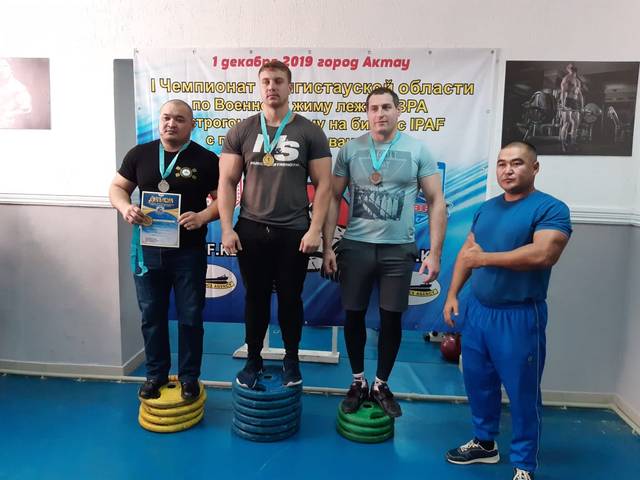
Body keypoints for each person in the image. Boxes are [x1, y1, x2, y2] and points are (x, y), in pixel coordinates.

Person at [443, 141, 571, 480]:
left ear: (534, 168)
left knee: (522, 392)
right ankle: (485, 443)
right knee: (478, 383)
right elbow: (468, 253)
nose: (508, 170)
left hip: (519, 316)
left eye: (517, 163)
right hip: (478, 312)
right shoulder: (487, 208)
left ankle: (524, 464)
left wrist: (485, 259)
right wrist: (453, 293)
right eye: (502, 164)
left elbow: (544, 254)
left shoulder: (550, 208)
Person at [322, 87, 446, 417]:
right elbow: (332, 197)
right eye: (374, 108)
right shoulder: (350, 150)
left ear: (398, 111)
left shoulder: (418, 150)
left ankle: (381, 384)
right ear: (367, 113)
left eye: (387, 107)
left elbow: (436, 201)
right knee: (353, 315)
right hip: (356, 248)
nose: (380, 114)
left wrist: (435, 253)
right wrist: (327, 246)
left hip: (398, 250)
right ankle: (357, 381)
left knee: (391, 318)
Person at [219, 60, 332, 388]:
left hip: (294, 231)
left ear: (290, 86)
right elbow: (227, 182)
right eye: (266, 81)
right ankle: (253, 359)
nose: (272, 87)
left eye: (279, 81)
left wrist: (314, 230)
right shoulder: (241, 131)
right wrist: (226, 228)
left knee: (290, 298)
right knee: (254, 298)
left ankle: (291, 360)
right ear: (259, 87)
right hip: (251, 228)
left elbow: (324, 185)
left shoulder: (309, 131)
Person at [109, 99, 220, 401]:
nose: (172, 124)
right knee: (151, 316)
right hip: (148, 252)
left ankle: (189, 378)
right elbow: (117, 188)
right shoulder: (139, 154)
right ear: (160, 122)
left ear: (192, 125)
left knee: (191, 317)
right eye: (167, 118)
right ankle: (155, 375)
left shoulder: (206, 159)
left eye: (180, 119)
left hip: (188, 253)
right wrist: (125, 207)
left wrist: (203, 216)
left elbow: (224, 199)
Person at [0, 58, 32, 128]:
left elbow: (27, 109)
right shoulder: (2, 84)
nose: (1, 70)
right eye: (0, 67)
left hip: (9, 125)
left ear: (11, 69)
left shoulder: (18, 87)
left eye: (5, 66)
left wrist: (10, 114)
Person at [559, 63, 583, 151]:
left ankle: (573, 143)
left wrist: (582, 106)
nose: (572, 68)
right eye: (570, 67)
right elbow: (563, 92)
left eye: (573, 67)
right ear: (568, 69)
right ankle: (563, 143)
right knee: (567, 123)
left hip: (575, 102)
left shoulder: (578, 81)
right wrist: (563, 105)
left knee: (576, 123)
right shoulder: (566, 79)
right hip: (567, 101)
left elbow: (580, 95)